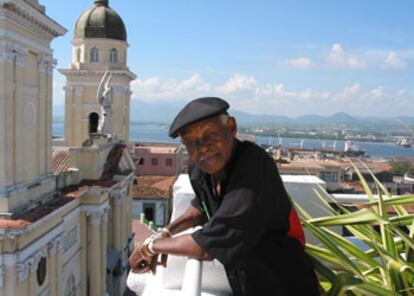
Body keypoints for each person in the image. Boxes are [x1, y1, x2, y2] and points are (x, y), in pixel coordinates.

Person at [129, 97, 320, 296]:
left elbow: (206, 246)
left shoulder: (253, 166)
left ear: (231, 127)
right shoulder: (200, 167)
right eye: (192, 143)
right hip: (246, 282)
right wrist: (166, 232)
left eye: (209, 135)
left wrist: (151, 246)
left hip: (285, 284)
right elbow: (202, 206)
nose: (202, 148)